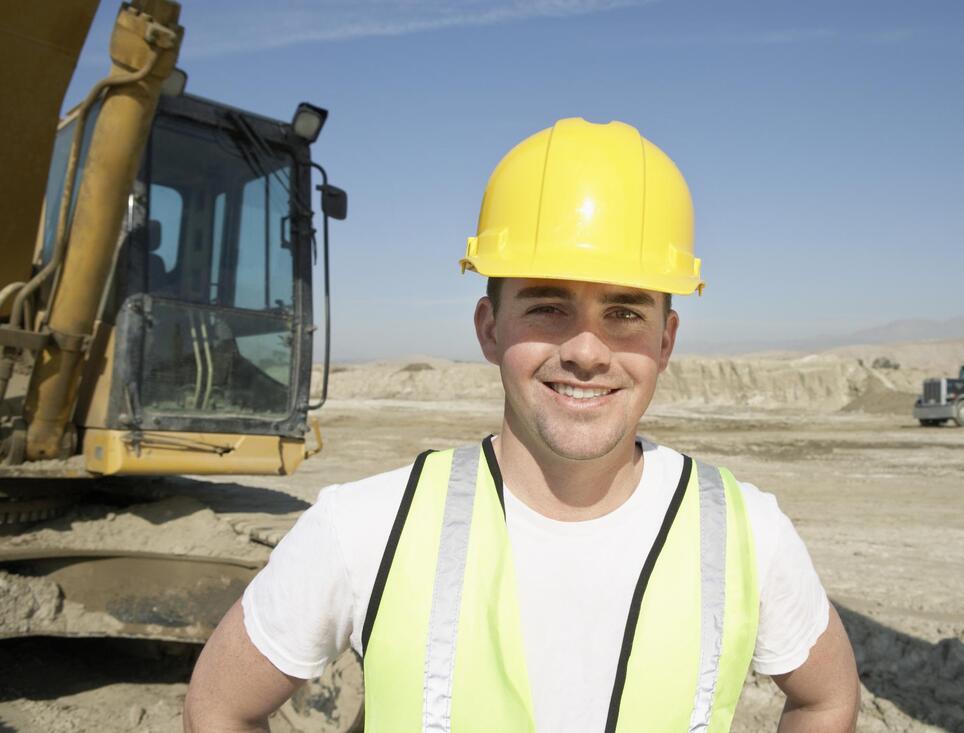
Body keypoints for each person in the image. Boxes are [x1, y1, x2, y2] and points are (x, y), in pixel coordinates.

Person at [184, 118, 860, 732]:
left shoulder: (745, 533)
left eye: (624, 312)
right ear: (489, 326)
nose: (587, 351)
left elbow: (827, 698)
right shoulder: (364, 525)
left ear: (665, 340)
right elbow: (219, 706)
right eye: (548, 307)